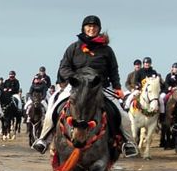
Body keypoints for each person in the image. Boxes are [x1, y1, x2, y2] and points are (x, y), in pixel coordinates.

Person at [32, 15, 138, 157]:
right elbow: (63, 68)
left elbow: (113, 70)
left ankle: (128, 142)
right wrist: (75, 78)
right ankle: (43, 139)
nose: (91, 28)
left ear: (98, 29)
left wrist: (117, 87)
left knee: (122, 115)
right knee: (53, 111)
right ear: (83, 28)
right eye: (88, 26)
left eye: (94, 26)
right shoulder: (73, 48)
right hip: (75, 87)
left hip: (99, 87)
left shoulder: (107, 50)